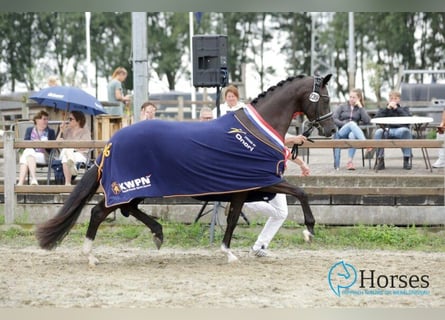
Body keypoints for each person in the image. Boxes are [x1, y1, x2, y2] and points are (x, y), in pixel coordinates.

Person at [209, 84, 310, 257]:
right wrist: (294, 143)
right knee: (280, 212)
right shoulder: (233, 115)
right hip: (260, 172)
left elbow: (280, 144)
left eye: (233, 96)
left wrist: (301, 162)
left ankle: (258, 243)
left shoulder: (255, 116)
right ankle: (246, 206)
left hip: (274, 173)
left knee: (281, 213)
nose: (230, 99)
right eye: (228, 96)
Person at [332, 88, 371, 170]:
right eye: (350, 97)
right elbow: (334, 118)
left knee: (353, 135)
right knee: (352, 123)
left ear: (359, 98)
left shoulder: (360, 109)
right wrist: (344, 124)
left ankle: (349, 162)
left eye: (354, 97)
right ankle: (366, 143)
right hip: (341, 132)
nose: (351, 99)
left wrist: (361, 107)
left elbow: (367, 121)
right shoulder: (342, 107)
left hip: (352, 132)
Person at [373, 90, 413, 170]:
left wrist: (397, 108)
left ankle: (406, 160)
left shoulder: (404, 109)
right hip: (386, 130)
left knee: (406, 131)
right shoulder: (383, 109)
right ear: (389, 99)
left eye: (396, 98)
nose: (393, 100)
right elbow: (376, 119)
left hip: (400, 130)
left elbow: (408, 119)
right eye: (391, 98)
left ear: (399, 99)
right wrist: (387, 109)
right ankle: (380, 160)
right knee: (378, 132)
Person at [17, 110, 56, 186]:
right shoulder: (29, 130)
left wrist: (44, 144)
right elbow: (25, 145)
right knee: (28, 152)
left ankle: (21, 183)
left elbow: (52, 148)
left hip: (45, 156)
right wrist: (34, 143)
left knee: (25, 156)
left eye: (47, 119)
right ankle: (32, 179)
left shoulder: (51, 132)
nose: (46, 121)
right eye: (44, 119)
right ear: (37, 120)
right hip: (31, 155)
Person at [56, 111, 92, 185]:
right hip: (67, 153)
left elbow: (85, 146)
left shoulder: (85, 131)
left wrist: (71, 148)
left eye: (71, 119)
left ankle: (67, 183)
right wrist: (61, 131)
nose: (68, 121)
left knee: (66, 156)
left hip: (80, 155)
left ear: (78, 120)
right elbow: (56, 143)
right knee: (67, 152)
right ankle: (72, 166)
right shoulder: (67, 130)